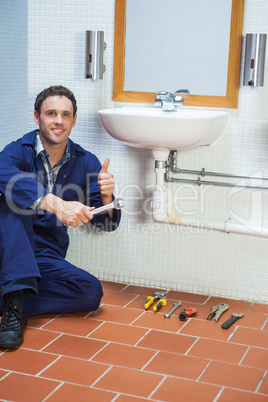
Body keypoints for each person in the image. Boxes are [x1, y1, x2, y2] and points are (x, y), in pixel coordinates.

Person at [0, 85, 121, 349]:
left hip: (44, 254)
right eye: (51, 113)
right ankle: (14, 313)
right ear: (36, 117)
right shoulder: (17, 152)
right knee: (13, 200)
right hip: (7, 248)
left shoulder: (86, 162)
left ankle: (12, 298)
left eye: (65, 115)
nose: (58, 121)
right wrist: (52, 203)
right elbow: (2, 172)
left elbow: (108, 223)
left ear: (74, 120)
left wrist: (106, 198)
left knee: (90, 292)